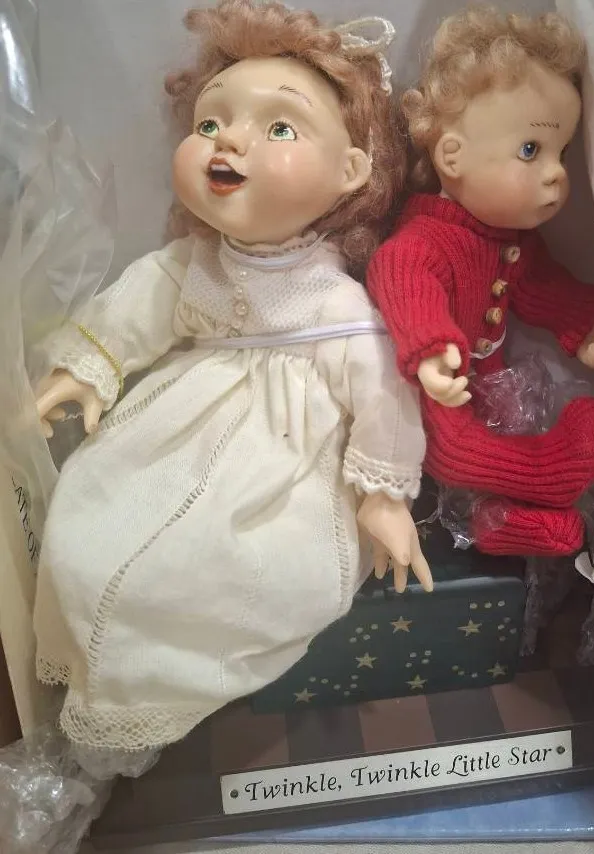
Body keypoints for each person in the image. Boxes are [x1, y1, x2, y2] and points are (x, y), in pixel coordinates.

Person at [32, 0, 431, 754]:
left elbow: (383, 393)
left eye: (279, 128)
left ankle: (155, 701)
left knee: (241, 566)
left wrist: (383, 494)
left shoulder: (336, 302)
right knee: (90, 517)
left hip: (283, 461)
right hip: (169, 432)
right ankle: (103, 682)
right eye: (210, 122)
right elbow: (137, 308)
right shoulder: (191, 266)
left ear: (349, 171)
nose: (229, 141)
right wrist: (89, 367)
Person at [367, 7, 594, 558]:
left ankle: (496, 523)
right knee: (454, 452)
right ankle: (549, 472)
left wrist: (585, 320)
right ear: (452, 155)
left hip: (482, 381)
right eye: (531, 150)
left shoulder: (508, 240)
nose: (557, 173)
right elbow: (400, 275)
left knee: (482, 458)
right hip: (421, 391)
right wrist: (431, 349)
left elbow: (539, 285)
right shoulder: (425, 239)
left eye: (562, 153)